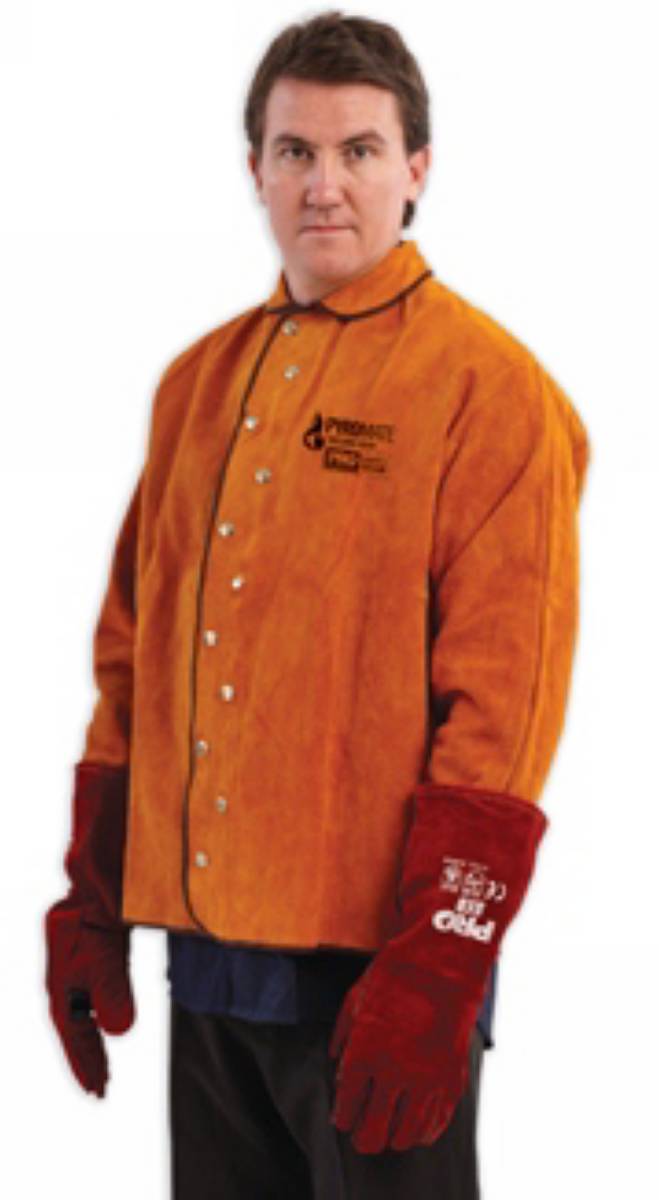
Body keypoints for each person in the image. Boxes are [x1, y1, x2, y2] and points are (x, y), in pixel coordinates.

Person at [44, 10, 590, 1199]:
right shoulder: (194, 387)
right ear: (255, 169)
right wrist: (92, 896)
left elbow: (504, 705)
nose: (323, 184)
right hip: (206, 967)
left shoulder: (488, 390)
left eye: (358, 150)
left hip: (379, 988)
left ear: (417, 169)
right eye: (294, 151)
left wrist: (440, 966)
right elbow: (132, 657)